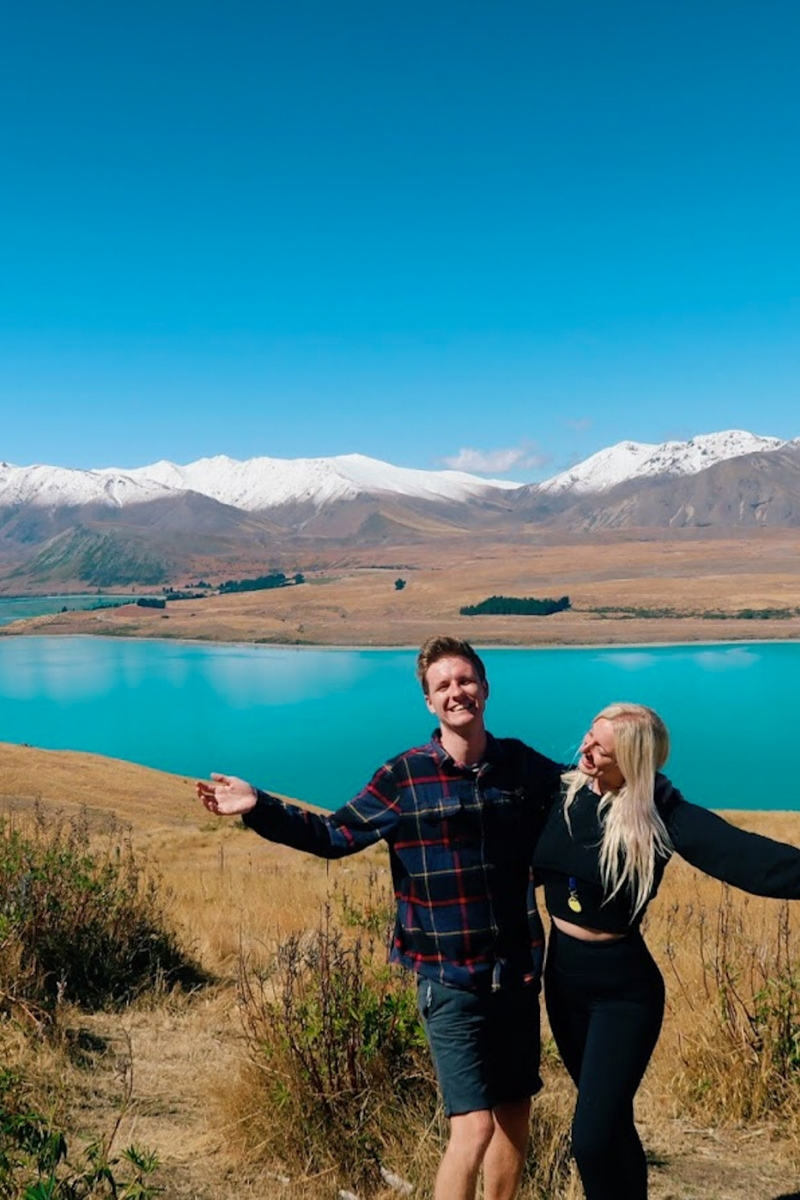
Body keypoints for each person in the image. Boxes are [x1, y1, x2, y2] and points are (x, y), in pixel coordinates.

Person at [197, 635, 562, 1200]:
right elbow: (332, 834)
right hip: (449, 979)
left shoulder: (523, 767)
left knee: (515, 1114)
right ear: (429, 703)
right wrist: (260, 807)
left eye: (465, 680)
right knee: (474, 1126)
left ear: (485, 689)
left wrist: (633, 769)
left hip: (515, 973)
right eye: (442, 686)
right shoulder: (405, 776)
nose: (456, 692)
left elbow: (580, 795)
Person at [532, 701, 800, 1200]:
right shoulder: (561, 791)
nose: (585, 749)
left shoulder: (658, 816)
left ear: (631, 761)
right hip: (563, 981)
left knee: (589, 1140)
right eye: (589, 736)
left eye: (600, 748)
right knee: (611, 1123)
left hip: (622, 993)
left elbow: (749, 859)